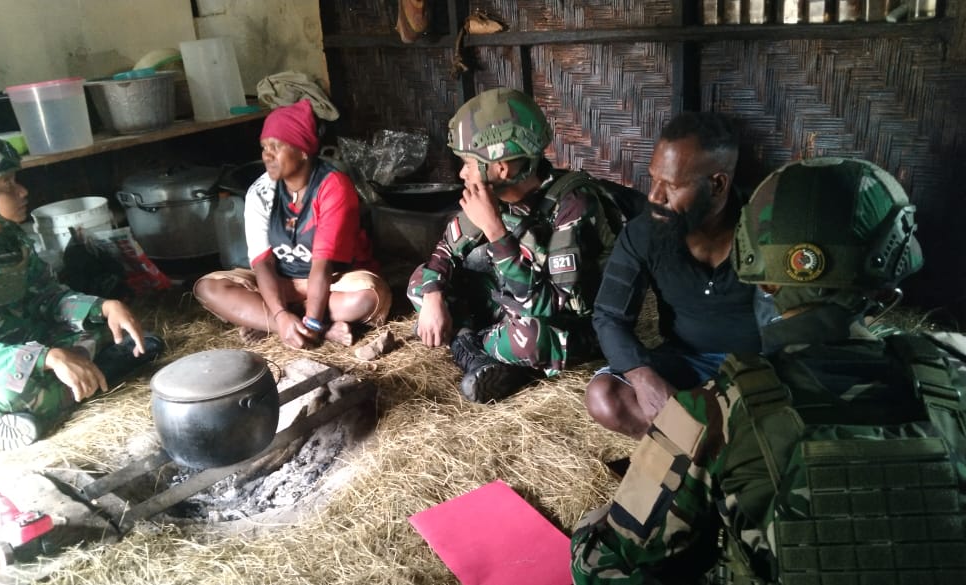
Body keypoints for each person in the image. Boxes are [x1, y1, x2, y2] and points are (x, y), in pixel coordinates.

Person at [571, 157, 966, 584]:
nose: (656, 194)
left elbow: (604, 567)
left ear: (761, 277)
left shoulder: (716, 410)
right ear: (890, 278)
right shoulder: (953, 367)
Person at [0, 133, 163, 450]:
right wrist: (46, 358)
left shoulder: (9, 237)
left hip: (22, 344)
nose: (22, 191)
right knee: (16, 393)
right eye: (7, 185)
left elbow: (47, 296)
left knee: (129, 338)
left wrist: (103, 307)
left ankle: (57, 395)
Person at [408, 88, 618, 403]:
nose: (462, 173)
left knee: (528, 339)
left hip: (564, 323)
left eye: (468, 163)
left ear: (501, 168)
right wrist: (434, 296)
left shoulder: (573, 206)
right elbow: (445, 251)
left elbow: (549, 305)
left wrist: (495, 231)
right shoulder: (493, 193)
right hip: (509, 303)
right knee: (420, 284)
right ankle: (482, 353)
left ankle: (473, 348)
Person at [585, 112, 774, 438]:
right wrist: (643, 377)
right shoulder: (646, 232)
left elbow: (798, 329)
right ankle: (716, 448)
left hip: (759, 365)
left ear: (717, 185)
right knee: (605, 397)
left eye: (671, 185)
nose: (655, 196)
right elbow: (608, 316)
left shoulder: (767, 231)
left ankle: (694, 445)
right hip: (687, 362)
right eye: (654, 179)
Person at [193, 99, 390, 348]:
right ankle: (290, 326)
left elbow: (322, 265)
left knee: (366, 298)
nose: (267, 155)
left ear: (302, 151)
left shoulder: (332, 186)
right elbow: (263, 262)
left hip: (334, 279)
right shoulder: (260, 192)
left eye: (276, 147)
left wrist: (313, 322)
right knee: (208, 288)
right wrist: (279, 315)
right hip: (282, 281)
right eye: (264, 147)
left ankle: (271, 320)